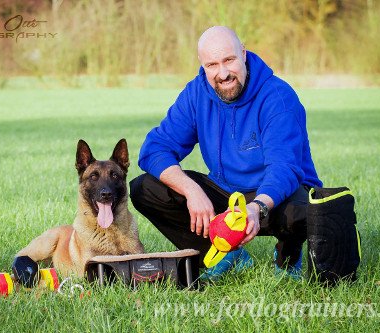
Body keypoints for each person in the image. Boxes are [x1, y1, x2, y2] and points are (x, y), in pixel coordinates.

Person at [130, 26, 322, 280]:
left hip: (272, 196)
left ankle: (288, 256)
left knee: (299, 210)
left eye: (229, 60)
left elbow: (284, 168)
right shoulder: (196, 93)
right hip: (227, 194)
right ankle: (224, 254)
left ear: (243, 53)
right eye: (212, 65)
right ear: (202, 65)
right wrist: (191, 190)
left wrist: (257, 208)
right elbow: (154, 148)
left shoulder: (278, 97)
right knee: (145, 188)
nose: (223, 73)